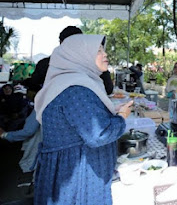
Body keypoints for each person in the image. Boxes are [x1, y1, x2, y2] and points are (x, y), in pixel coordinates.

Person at [33, 34, 133, 205]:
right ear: (79, 55)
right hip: (77, 177)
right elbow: (98, 135)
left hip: (64, 169)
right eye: (98, 51)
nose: (105, 54)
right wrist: (122, 116)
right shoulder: (76, 89)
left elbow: (78, 118)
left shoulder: (68, 82)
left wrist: (107, 112)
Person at [25, 26, 114, 97]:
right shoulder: (90, 63)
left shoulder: (45, 63)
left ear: (60, 42)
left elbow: (33, 86)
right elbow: (108, 89)